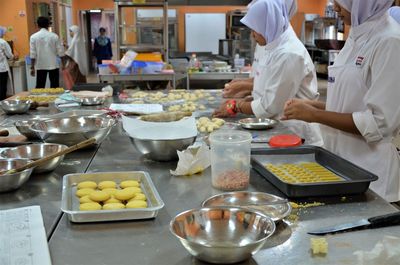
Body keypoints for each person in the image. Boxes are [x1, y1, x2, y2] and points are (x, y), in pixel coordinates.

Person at [283, 0, 400, 202]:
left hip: (372, 176)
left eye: (341, 1)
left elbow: (378, 123)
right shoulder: (356, 36)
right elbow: (349, 104)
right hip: (341, 164)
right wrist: (313, 106)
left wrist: (315, 115)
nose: (335, 7)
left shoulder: (390, 41)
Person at [223, 0, 298, 98]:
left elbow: (274, 91)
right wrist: (246, 89)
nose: (252, 34)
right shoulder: (267, 39)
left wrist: (241, 101)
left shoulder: (287, 51)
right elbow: (264, 78)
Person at [30, 16, 64, 88]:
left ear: (37, 25)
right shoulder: (54, 36)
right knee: (55, 87)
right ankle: (54, 99)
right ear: (48, 25)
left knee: (40, 86)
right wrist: (63, 64)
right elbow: (60, 52)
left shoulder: (33, 37)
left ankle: (39, 99)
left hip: (40, 65)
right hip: (53, 64)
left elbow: (33, 54)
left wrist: (32, 67)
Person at [63, 25, 88, 90]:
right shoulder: (79, 39)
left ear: (74, 32)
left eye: (70, 32)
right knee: (80, 79)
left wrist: (62, 54)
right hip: (79, 63)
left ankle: (77, 93)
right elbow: (74, 51)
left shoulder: (75, 41)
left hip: (75, 63)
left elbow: (69, 53)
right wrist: (67, 47)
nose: (69, 33)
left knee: (75, 80)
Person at [0, 26, 16, 100]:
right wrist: (14, 56)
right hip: (2, 68)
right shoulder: (2, 42)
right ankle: (2, 103)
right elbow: (9, 55)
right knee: (2, 86)